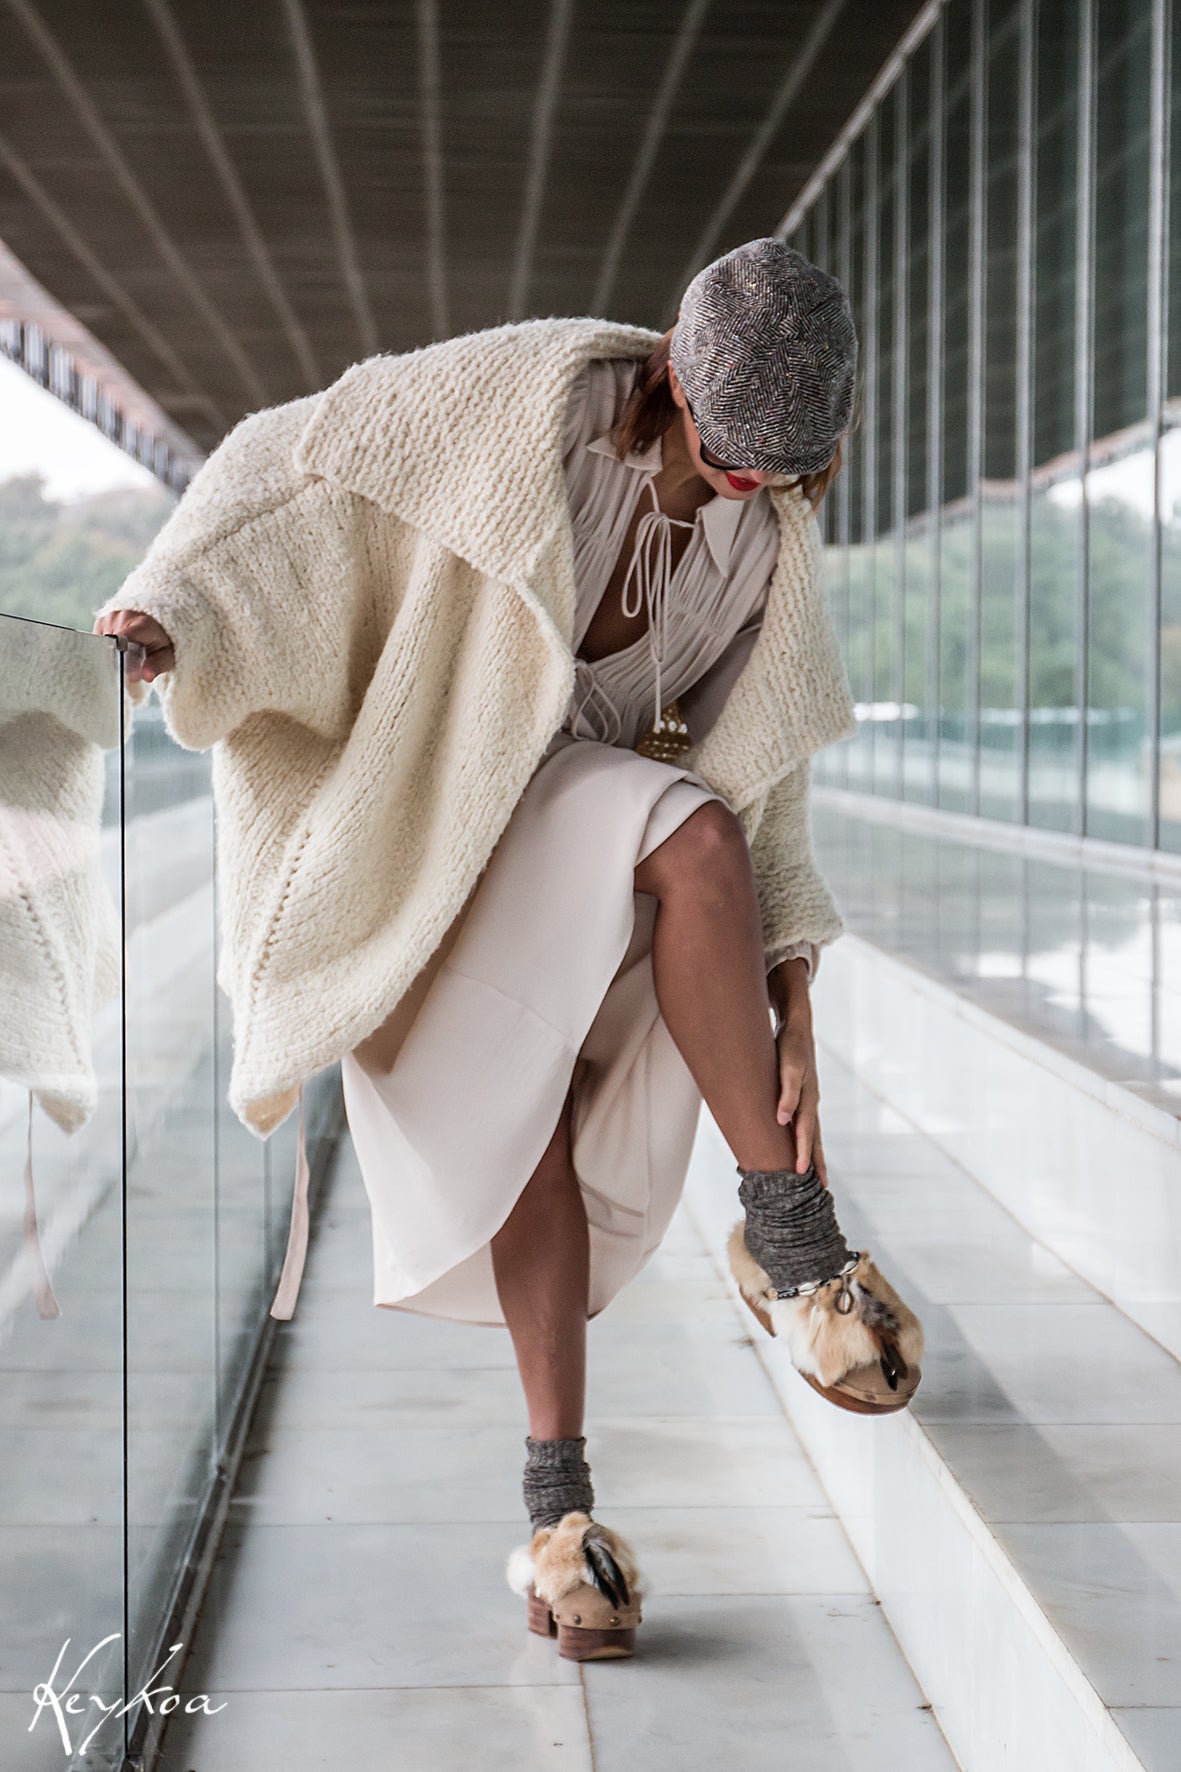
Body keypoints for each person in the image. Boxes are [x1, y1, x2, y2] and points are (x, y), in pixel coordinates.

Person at [94, 237, 922, 1664]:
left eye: (777, 467)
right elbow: (293, 458)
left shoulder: (765, 538)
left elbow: (759, 782)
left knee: (689, 854)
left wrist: (793, 1008)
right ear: (673, 373)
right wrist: (177, 608)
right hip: (427, 842)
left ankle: (685, 1370)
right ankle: (682, 1373)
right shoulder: (513, 406)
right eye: (730, 455)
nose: (748, 485)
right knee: (554, 1065)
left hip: (585, 851)